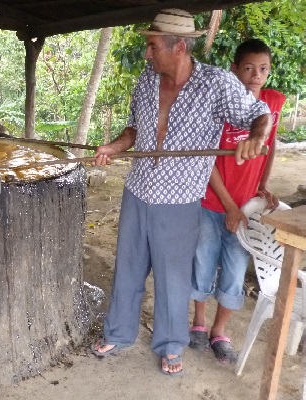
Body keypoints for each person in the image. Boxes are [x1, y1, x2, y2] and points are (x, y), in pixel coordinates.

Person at [91, 9, 272, 376]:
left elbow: (260, 113)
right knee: (127, 268)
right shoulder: (146, 81)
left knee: (173, 278)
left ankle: (171, 344)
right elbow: (134, 130)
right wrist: (113, 147)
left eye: (152, 46)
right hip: (138, 191)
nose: (147, 53)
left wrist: (256, 136)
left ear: (178, 47)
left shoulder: (216, 84)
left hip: (179, 201)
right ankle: (119, 331)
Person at [189, 39, 286, 363]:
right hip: (211, 203)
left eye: (263, 69)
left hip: (245, 209)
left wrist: (263, 185)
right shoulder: (220, 104)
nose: (256, 75)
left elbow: (268, 148)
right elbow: (209, 162)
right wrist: (229, 206)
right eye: (248, 68)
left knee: (233, 269)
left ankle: (220, 332)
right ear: (234, 70)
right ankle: (199, 324)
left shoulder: (272, 103)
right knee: (203, 261)